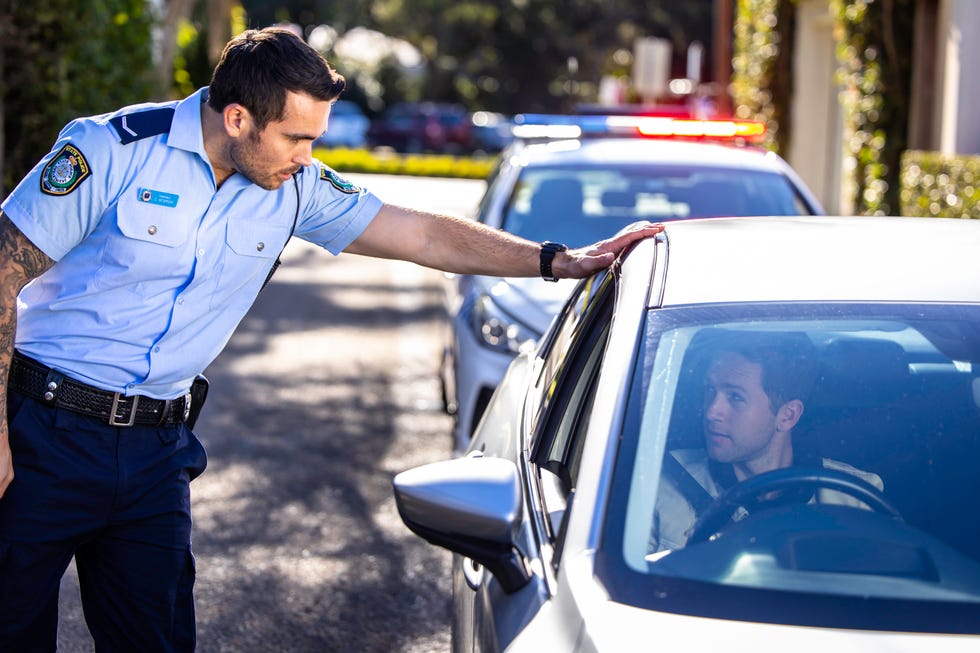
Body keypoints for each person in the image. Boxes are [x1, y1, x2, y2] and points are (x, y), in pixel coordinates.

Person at [0, 26, 663, 652]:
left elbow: (423, 235)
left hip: (154, 453)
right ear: (238, 118)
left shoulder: (293, 186)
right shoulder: (111, 150)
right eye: (295, 137)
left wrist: (557, 259)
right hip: (41, 429)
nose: (307, 156)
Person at [650, 331, 883, 552]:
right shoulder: (659, 485)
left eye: (735, 397)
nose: (711, 411)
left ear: (787, 415)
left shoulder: (854, 498)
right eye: (710, 390)